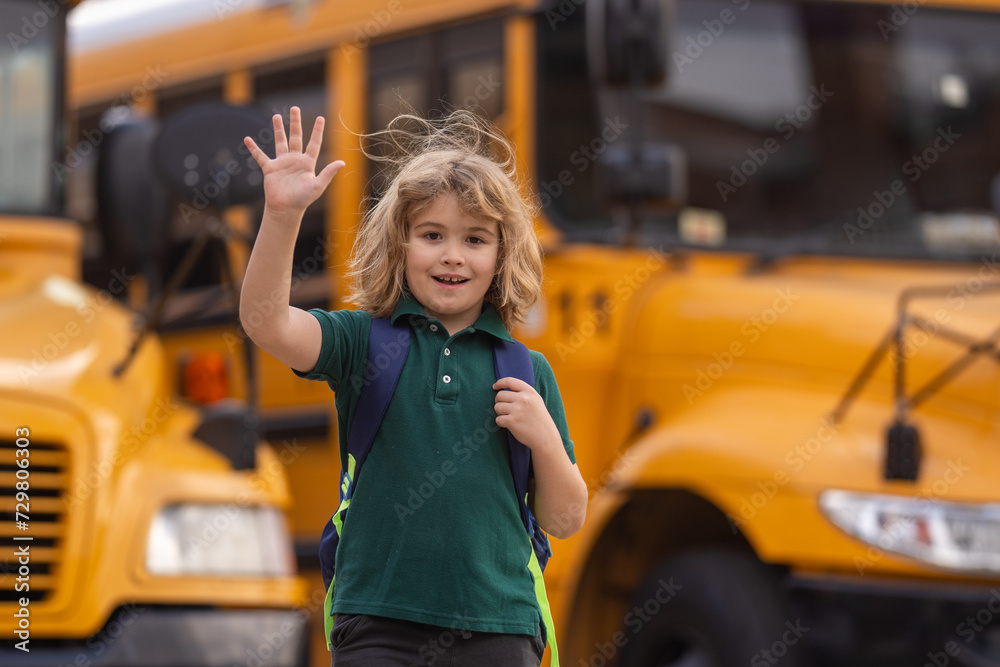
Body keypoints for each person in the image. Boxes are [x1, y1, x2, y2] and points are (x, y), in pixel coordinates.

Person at [240, 106, 588, 666]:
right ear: (399, 245)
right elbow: (266, 322)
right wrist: (282, 216)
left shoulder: (526, 370)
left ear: (502, 257)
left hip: (501, 627)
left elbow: (566, 519)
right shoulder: (361, 342)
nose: (452, 254)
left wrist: (545, 440)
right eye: (432, 234)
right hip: (377, 624)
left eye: (475, 239)